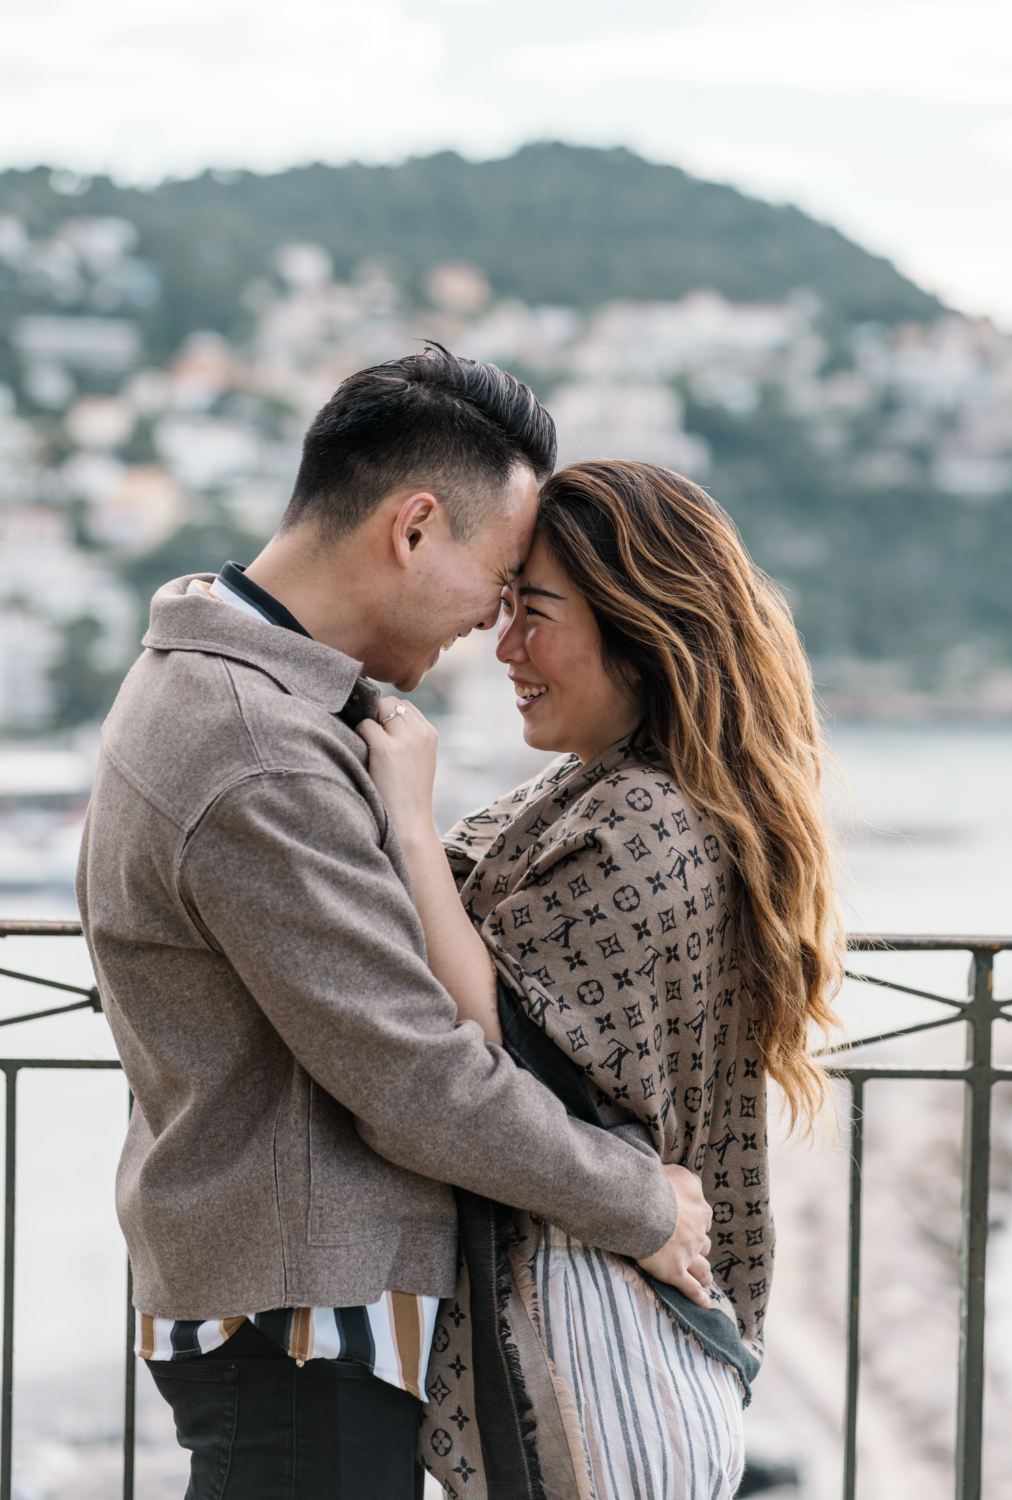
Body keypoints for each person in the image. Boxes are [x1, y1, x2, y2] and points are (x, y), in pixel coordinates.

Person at [76, 353, 715, 1500]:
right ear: (415, 528)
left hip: (286, 1302)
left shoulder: (243, 694)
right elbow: (414, 1075)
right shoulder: (254, 747)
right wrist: (639, 1203)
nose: (496, 618)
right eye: (501, 574)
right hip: (298, 1321)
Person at [359, 459, 843, 1499]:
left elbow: (494, 1041)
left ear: (638, 628)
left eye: (536, 614)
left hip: (594, 1341)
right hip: (606, 1334)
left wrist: (404, 813)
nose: (506, 646)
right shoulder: (602, 791)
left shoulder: (642, 822)